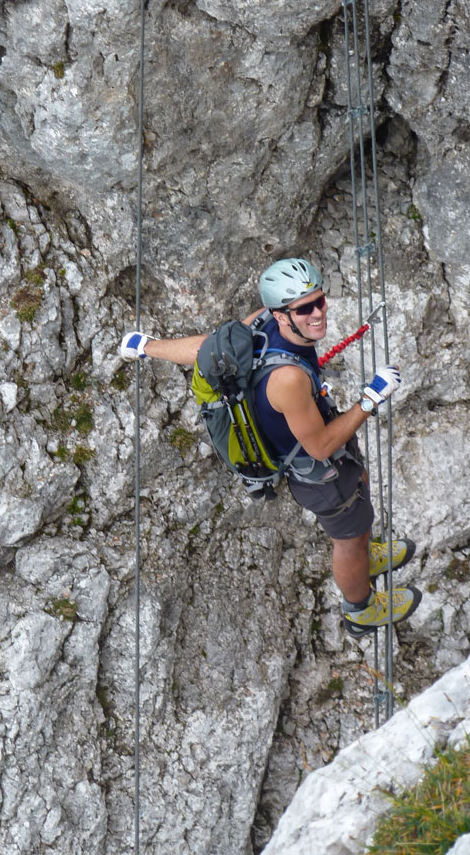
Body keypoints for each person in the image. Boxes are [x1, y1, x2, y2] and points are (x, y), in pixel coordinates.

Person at [120, 257, 421, 636]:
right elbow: (322, 446)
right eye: (305, 308)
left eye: (320, 300)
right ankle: (359, 609)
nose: (318, 313)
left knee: (358, 505)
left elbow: (206, 349)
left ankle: (365, 554)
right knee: (348, 538)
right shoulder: (289, 380)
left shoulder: (261, 322)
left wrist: (147, 346)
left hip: (319, 442)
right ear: (283, 315)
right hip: (322, 475)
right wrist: (370, 399)